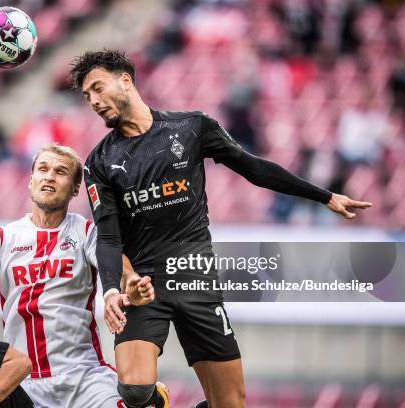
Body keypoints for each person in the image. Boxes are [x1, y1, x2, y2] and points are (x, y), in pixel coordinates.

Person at [69, 49, 373, 408]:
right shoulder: (100, 161)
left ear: (125, 80)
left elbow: (254, 168)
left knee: (230, 404)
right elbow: (108, 235)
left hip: (196, 280)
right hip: (144, 286)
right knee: (135, 390)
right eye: (87, 96)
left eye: (98, 88)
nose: (94, 101)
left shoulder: (191, 127)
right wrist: (111, 291)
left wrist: (323, 197)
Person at [0, 144, 159, 407]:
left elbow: (113, 262)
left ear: (74, 189)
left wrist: (130, 282)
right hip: (23, 384)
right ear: (30, 181)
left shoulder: (86, 232)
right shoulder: (2, 239)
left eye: (61, 172)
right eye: (43, 169)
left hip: (83, 378)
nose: (50, 176)